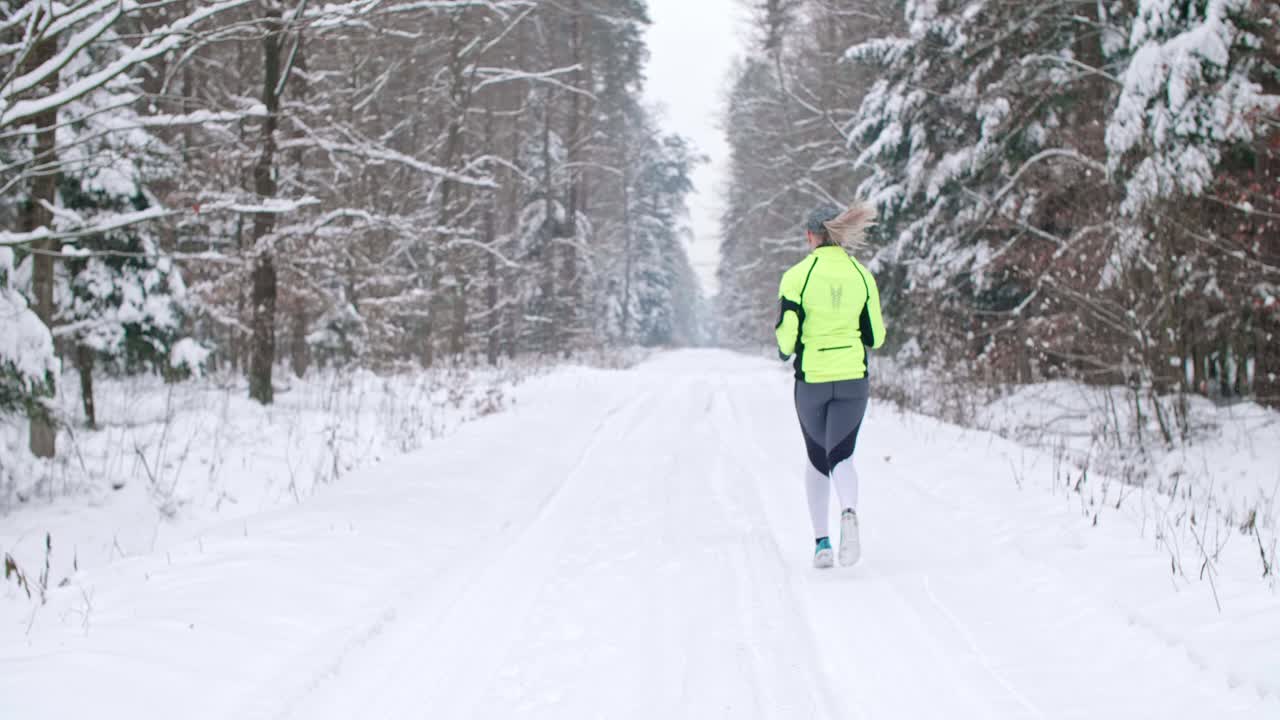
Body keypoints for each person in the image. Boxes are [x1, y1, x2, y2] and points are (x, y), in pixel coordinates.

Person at [775, 202, 885, 568]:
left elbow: (787, 341)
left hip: (813, 381)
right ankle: (848, 512)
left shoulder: (797, 276)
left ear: (810, 235)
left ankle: (822, 544)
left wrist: (785, 347)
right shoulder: (862, 275)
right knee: (842, 455)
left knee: (816, 456)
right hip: (853, 379)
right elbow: (876, 336)